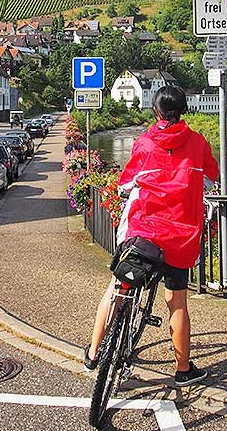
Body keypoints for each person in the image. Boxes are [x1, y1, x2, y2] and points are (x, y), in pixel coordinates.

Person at [85, 85, 218, 386]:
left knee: (116, 291)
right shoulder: (197, 143)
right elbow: (211, 179)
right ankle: (183, 369)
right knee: (177, 302)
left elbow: (125, 184)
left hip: (144, 232)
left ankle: (93, 353)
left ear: (155, 110)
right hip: (180, 238)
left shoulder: (145, 143)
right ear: (184, 109)